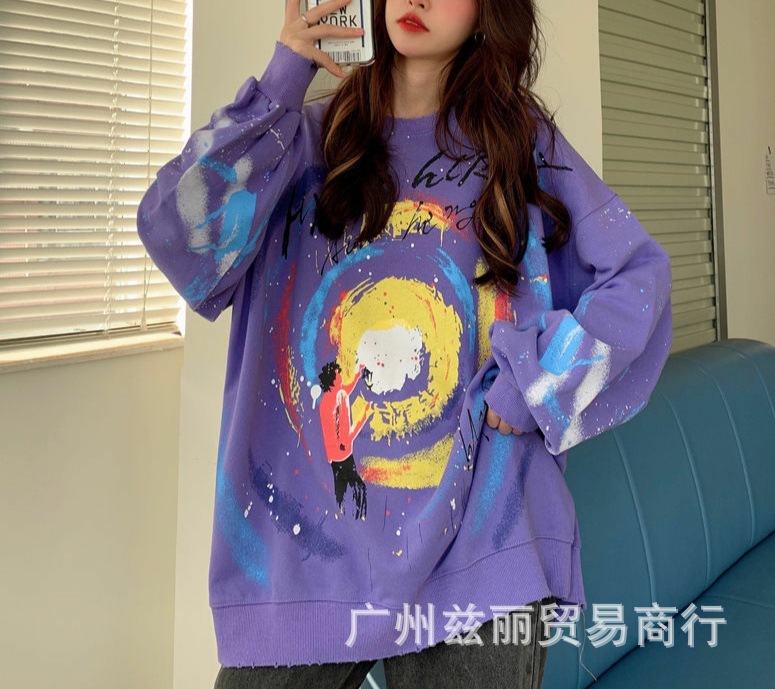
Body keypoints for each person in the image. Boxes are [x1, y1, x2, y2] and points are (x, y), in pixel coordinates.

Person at [137, 0, 672, 686]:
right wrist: (283, 77)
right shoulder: (299, 140)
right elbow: (177, 234)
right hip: (304, 558)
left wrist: (536, 383)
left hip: (481, 541)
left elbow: (637, 277)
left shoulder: (521, 144)